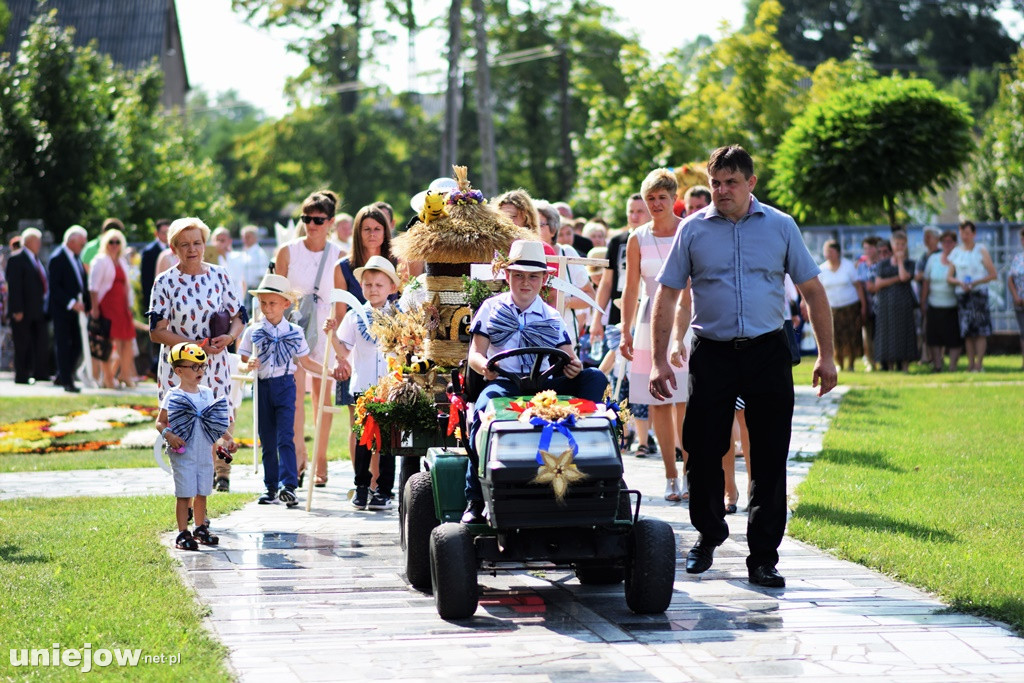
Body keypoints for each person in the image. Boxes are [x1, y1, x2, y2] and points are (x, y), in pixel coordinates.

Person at [649, 144, 836, 589]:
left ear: (751, 183)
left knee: (770, 454)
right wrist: (659, 360)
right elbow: (668, 294)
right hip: (711, 351)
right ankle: (708, 534)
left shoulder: (780, 226)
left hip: (767, 350)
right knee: (701, 447)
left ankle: (763, 557)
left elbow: (813, 290)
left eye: (731, 182)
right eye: (716, 182)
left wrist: (827, 356)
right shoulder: (692, 230)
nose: (722, 190)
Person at [462, 240, 608, 524]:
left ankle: (594, 468)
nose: (525, 283)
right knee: (484, 410)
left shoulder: (552, 317)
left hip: (545, 387)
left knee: (595, 377)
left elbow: (569, 358)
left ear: (544, 280)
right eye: (518, 275)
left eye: (532, 276)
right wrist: (486, 368)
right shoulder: (491, 308)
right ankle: (475, 498)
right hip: (505, 384)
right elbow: (475, 354)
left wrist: (573, 367)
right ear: (507, 276)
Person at [148, 217, 246, 492]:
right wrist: (194, 347)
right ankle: (186, 491)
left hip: (215, 364)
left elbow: (240, 316)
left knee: (218, 418)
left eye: (197, 243)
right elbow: (156, 331)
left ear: (205, 244)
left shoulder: (220, 274)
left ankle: (221, 472)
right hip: (179, 367)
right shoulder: (165, 281)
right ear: (174, 248)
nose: (192, 249)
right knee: (183, 426)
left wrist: (230, 336)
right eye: (185, 244)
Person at [619, 169, 691, 502]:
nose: (656, 204)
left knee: (687, 400)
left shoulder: (687, 230)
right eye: (650, 198)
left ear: (673, 198)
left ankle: (691, 472)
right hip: (649, 320)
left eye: (662, 197)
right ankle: (671, 475)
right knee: (659, 400)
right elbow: (631, 288)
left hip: (687, 316)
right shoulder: (637, 238)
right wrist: (625, 329)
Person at [275, 191, 345, 488]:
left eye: (318, 220)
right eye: (306, 219)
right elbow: (276, 294)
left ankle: (320, 458)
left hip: (325, 330)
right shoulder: (287, 251)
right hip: (294, 329)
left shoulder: (340, 255)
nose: (311, 225)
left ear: (330, 222)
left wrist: (337, 329)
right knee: (294, 397)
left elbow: (341, 299)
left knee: (322, 398)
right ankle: (299, 456)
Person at [239, 274, 323, 508]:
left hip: (285, 386)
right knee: (267, 438)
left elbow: (305, 362)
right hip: (263, 387)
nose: (267, 308)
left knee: (286, 436)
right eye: (263, 303)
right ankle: (270, 486)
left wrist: (328, 370)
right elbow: (240, 360)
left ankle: (289, 485)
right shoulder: (253, 331)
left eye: (272, 303)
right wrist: (247, 366)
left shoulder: (295, 332)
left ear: (286, 304)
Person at [331, 256, 401, 510]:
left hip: (390, 387)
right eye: (368, 284)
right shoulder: (354, 316)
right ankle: (362, 487)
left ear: (392, 288)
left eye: (379, 285)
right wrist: (331, 334)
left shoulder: (400, 316)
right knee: (363, 439)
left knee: (388, 441)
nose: (373, 289)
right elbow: (343, 351)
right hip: (363, 386)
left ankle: (384, 490)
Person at [334, 204, 395, 489]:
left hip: (388, 379)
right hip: (358, 362)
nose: (372, 234)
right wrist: (336, 350)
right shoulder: (345, 268)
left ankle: (382, 487)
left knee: (387, 435)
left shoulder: (396, 263)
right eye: (366, 228)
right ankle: (361, 485)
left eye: (377, 228)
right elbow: (340, 322)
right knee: (360, 431)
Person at [590, 193, 655, 456]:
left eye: (640, 211)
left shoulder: (653, 239)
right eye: (631, 211)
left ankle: (644, 436)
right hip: (620, 317)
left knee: (641, 377)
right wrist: (596, 318)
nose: (635, 216)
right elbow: (606, 283)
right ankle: (622, 433)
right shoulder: (617, 241)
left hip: (649, 315)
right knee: (619, 378)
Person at [156, 342, 237, 551]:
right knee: (185, 493)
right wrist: (169, 435)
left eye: (202, 366)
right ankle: (183, 532)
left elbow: (214, 423)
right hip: (184, 453)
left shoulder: (207, 393)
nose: (199, 371)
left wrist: (227, 438)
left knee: (202, 491)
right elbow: (160, 422)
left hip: (204, 452)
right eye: (194, 367)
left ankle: (200, 527)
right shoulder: (173, 395)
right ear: (179, 371)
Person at [535, 201, 596, 347]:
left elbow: (590, 296)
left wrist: (565, 301)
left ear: (553, 229)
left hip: (564, 338)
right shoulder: (521, 254)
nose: (532, 229)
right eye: (529, 223)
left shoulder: (566, 253)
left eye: (539, 224)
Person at [89, 227, 137, 388]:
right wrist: (95, 308)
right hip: (107, 305)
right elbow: (93, 287)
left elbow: (127, 286)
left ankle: (124, 374)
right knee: (107, 343)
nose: (114, 245)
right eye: (111, 241)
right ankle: (107, 378)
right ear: (105, 243)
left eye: (117, 242)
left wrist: (130, 306)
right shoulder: (100, 260)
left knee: (127, 341)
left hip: (122, 306)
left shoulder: (122, 261)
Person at [947, 220, 997, 372]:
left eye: (968, 233)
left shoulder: (981, 250)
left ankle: (979, 364)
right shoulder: (956, 252)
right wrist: (959, 282)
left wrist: (976, 282)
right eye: (962, 233)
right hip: (963, 295)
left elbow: (993, 274)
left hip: (979, 294)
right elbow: (949, 277)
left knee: (980, 330)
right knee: (967, 331)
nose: (965, 236)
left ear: (974, 234)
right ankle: (970, 364)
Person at [47, 225, 90, 393]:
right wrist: (72, 303)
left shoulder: (76, 257)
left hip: (77, 311)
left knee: (77, 344)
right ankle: (67, 380)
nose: (83, 247)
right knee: (64, 345)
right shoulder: (57, 258)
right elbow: (55, 287)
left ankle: (63, 374)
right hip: (63, 310)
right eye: (81, 243)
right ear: (71, 241)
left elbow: (81, 282)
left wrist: (86, 303)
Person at [5, 228, 50, 384]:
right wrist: (17, 309)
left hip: (37, 310)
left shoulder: (37, 260)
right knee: (22, 343)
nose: (40, 244)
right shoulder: (17, 260)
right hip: (22, 310)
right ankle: (22, 375)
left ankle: (39, 372)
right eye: (37, 240)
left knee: (39, 342)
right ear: (29, 241)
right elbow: (15, 287)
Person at [818, 239, 865, 371]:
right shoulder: (821, 269)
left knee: (852, 336)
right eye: (826, 252)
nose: (828, 254)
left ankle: (851, 364)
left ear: (838, 252)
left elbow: (858, 287)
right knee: (834, 336)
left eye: (831, 251)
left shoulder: (848, 266)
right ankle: (839, 363)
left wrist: (863, 305)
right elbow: (818, 292)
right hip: (832, 309)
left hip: (850, 306)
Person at [873, 233, 917, 372]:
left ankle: (905, 366)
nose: (899, 247)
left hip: (903, 304)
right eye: (897, 244)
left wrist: (899, 262)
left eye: (902, 244)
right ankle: (890, 366)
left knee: (905, 333)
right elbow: (878, 284)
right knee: (887, 334)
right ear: (892, 244)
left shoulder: (909, 263)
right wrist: (896, 278)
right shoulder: (882, 264)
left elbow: (904, 277)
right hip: (886, 305)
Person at [920, 230, 962, 372]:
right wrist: (923, 301)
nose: (947, 245)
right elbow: (926, 281)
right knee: (934, 337)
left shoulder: (959, 259)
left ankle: (952, 366)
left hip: (953, 304)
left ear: (955, 243)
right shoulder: (933, 259)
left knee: (954, 337)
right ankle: (937, 365)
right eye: (944, 242)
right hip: (934, 304)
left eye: (950, 242)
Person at [856, 236, 881, 371]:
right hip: (868, 303)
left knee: (880, 333)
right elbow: (860, 285)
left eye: (871, 247)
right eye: (865, 248)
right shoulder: (861, 266)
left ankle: (881, 360)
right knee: (867, 333)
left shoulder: (882, 264)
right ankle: (871, 361)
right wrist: (863, 305)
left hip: (881, 304)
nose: (868, 250)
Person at [140, 219, 171, 318]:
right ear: (156, 233)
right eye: (164, 233)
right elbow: (146, 278)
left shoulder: (174, 249)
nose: (167, 235)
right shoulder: (149, 251)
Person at [212, 227, 247, 307]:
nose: (219, 243)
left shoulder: (238, 256)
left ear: (229, 241)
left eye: (222, 240)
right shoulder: (207, 258)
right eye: (217, 240)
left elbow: (233, 277)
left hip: (235, 302)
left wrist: (223, 254)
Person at [240, 225, 270, 311]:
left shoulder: (260, 253)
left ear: (255, 238)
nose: (245, 240)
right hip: (245, 290)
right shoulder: (245, 253)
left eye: (248, 237)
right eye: (244, 237)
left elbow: (263, 275)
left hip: (255, 290)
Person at [1008, 227, 1024, 370]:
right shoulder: (1018, 258)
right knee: (1023, 332)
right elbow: (1010, 279)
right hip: (1020, 301)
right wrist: (1016, 296)